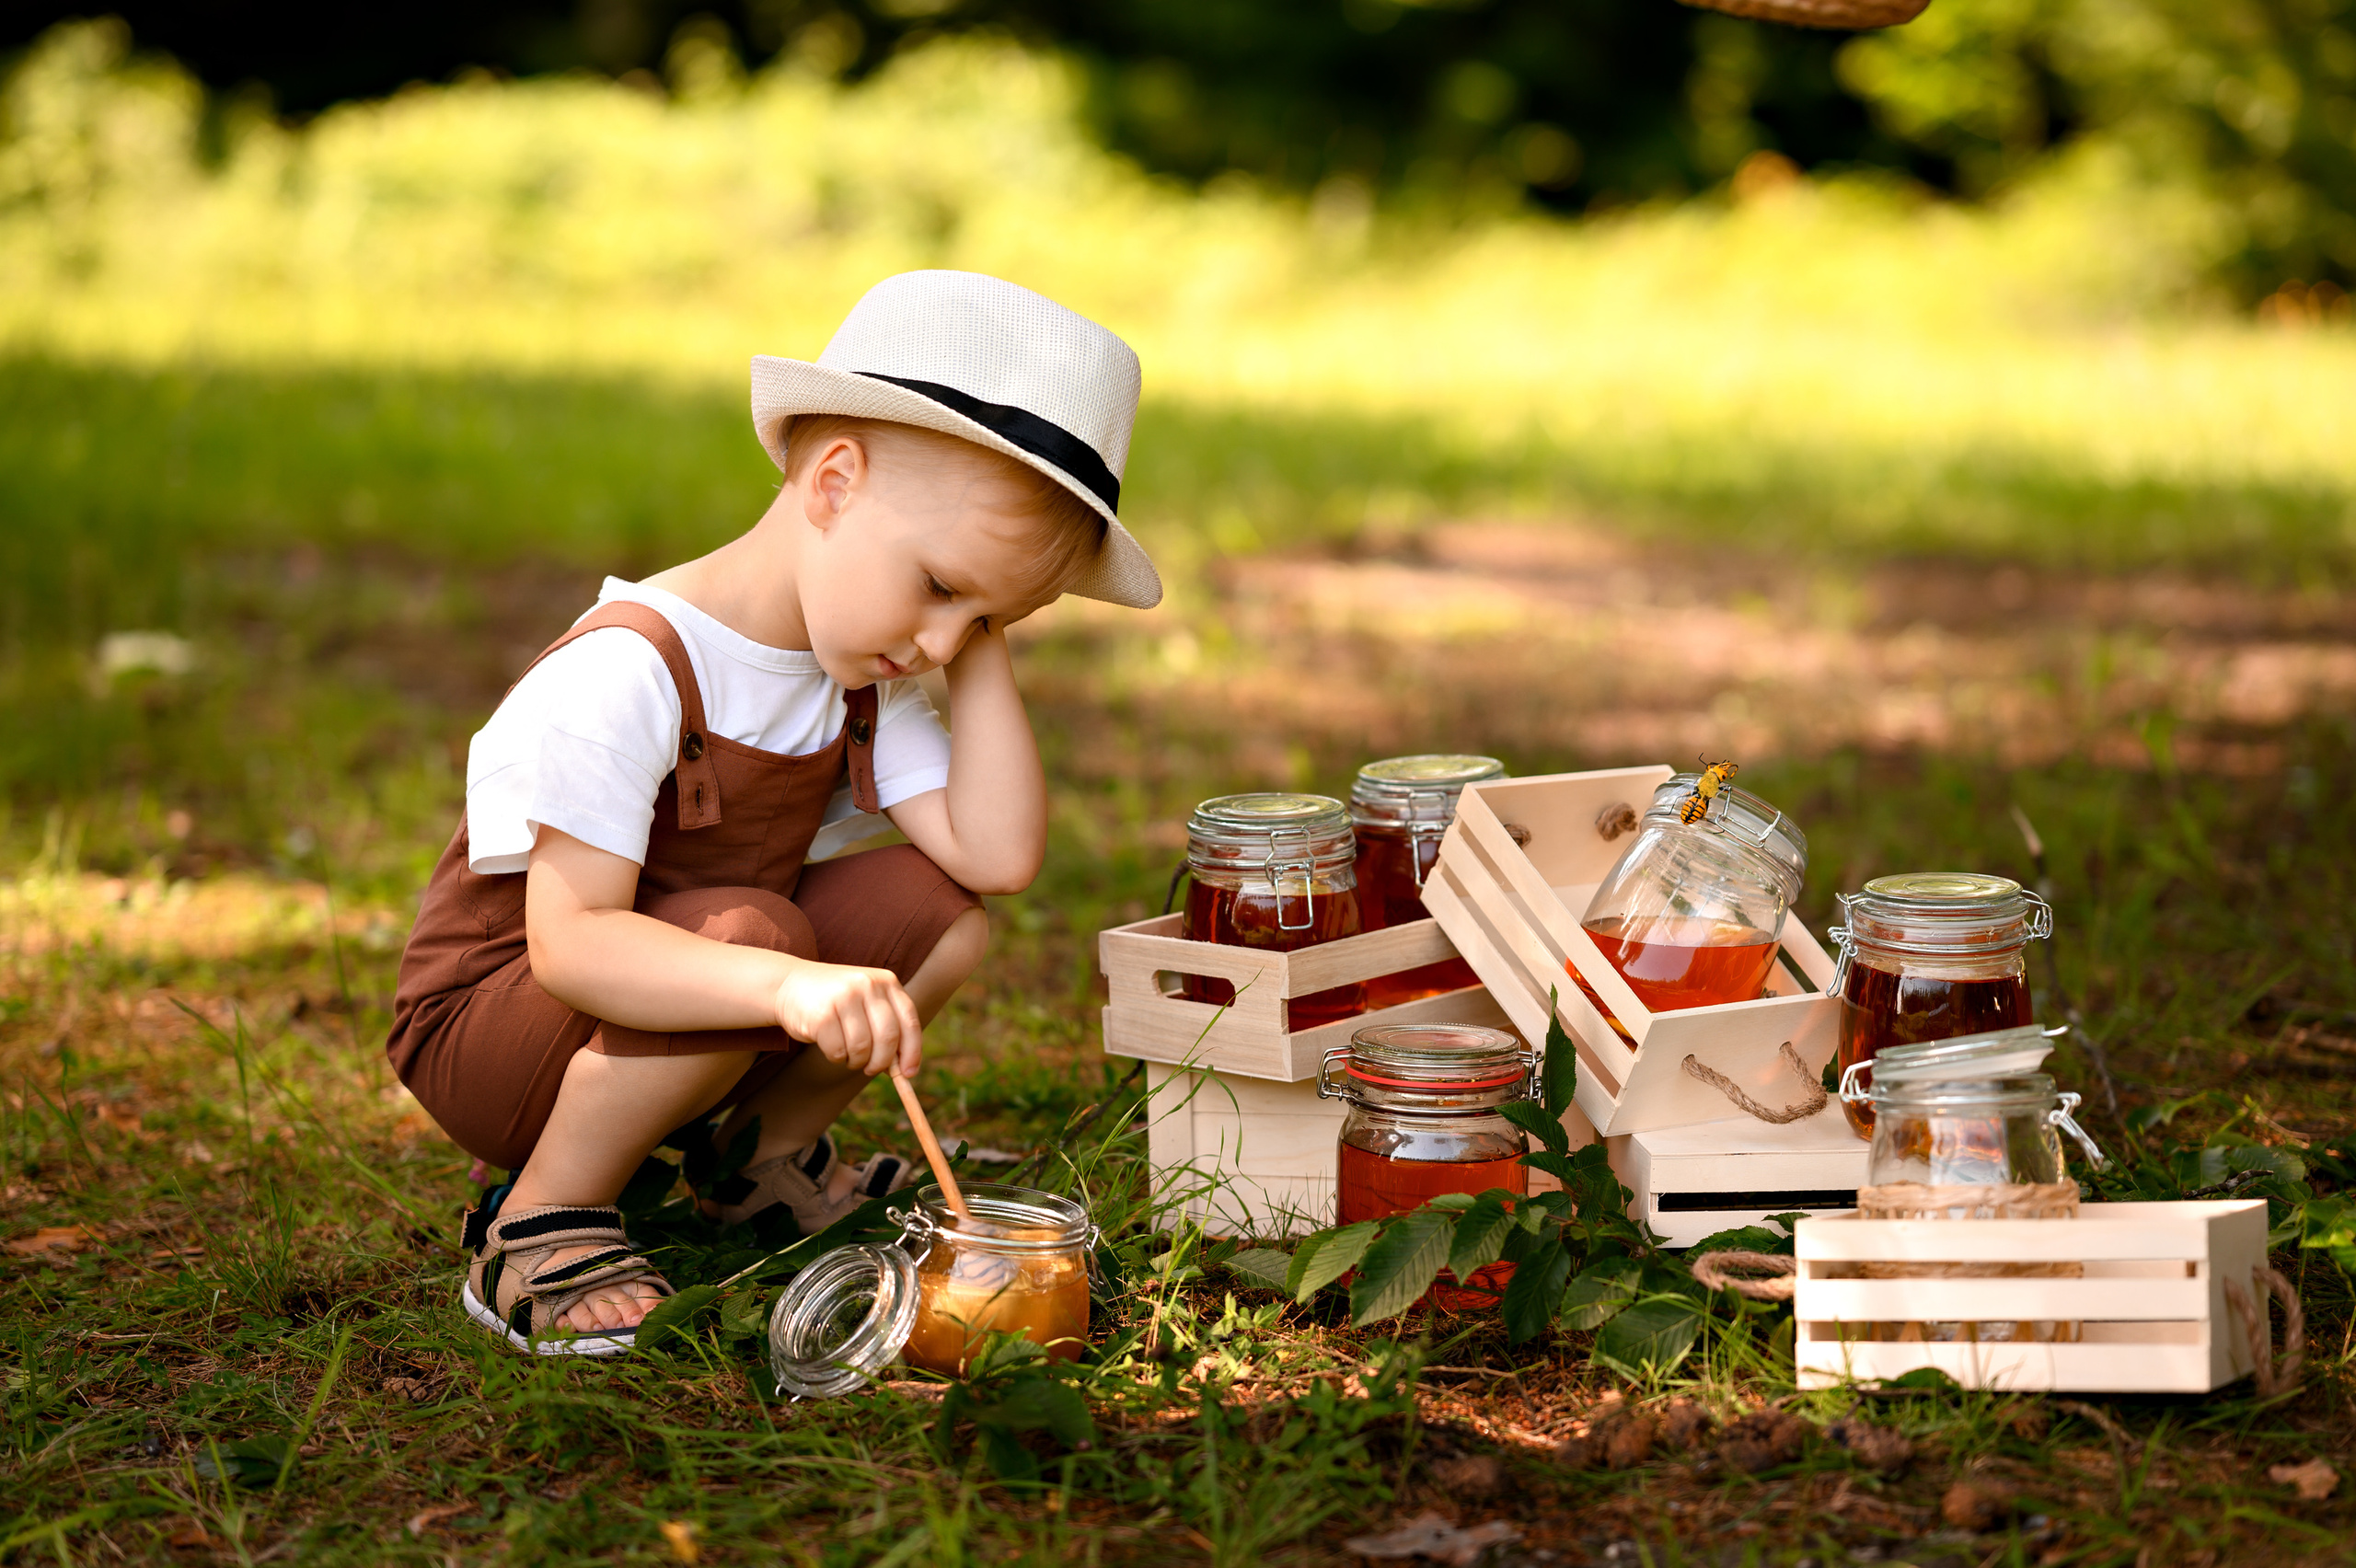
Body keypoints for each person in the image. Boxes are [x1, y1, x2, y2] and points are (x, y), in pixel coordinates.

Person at [386, 271, 1160, 1355]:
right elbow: (570, 946)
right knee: (759, 930)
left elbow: (993, 854)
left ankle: (755, 1164)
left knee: (937, 909)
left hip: (703, 998)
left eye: (992, 618)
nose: (941, 642)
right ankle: (540, 1214)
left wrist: (975, 638)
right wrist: (784, 982)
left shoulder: (866, 670)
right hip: (500, 1032)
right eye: (939, 586)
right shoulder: (632, 665)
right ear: (833, 484)